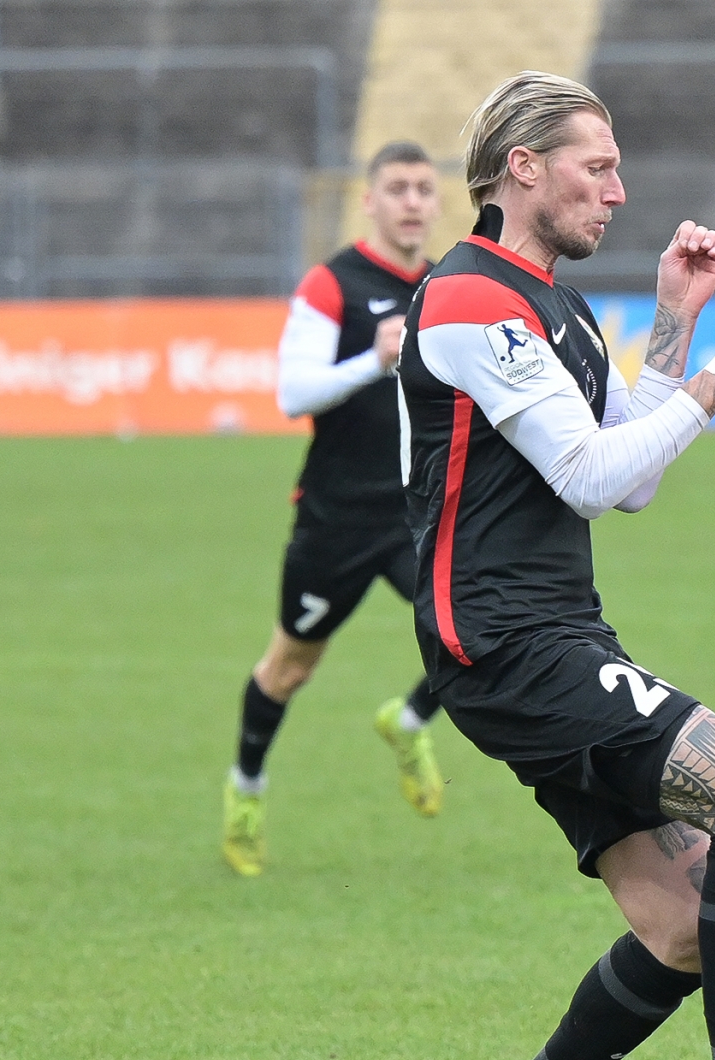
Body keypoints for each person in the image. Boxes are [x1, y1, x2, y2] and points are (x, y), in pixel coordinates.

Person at [401, 71, 715, 1060]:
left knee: (685, 928)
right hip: (506, 643)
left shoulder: (552, 306)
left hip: (552, 636)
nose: (619, 188)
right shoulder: (469, 300)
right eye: (596, 165)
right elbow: (590, 477)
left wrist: (676, 326)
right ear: (523, 167)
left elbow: (627, 478)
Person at [220, 141, 446, 879]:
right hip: (337, 518)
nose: (411, 201)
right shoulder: (333, 284)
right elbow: (293, 393)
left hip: (416, 512)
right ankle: (246, 790)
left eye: (423, 189)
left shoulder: (448, 286)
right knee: (289, 668)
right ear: (369, 202)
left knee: (479, 632)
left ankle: (407, 722)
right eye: (397, 188)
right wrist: (373, 360)